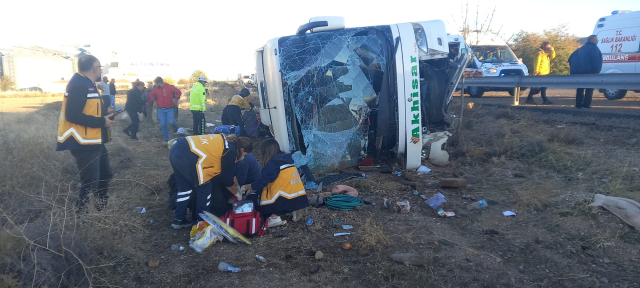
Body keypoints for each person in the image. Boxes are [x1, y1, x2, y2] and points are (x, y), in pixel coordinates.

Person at [56, 55, 114, 211]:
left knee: (105, 175)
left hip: (94, 141)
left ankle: (101, 210)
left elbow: (88, 108)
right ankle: (82, 218)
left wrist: (104, 112)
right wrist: (102, 122)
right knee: (90, 183)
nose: (100, 70)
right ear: (95, 68)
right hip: (83, 143)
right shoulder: (79, 84)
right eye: (100, 67)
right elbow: (72, 114)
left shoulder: (87, 83)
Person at [169, 134, 252, 229]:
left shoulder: (225, 142)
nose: (243, 157)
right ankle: (201, 222)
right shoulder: (230, 151)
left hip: (176, 149)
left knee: (185, 189)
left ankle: (179, 220)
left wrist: (237, 186)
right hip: (189, 156)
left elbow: (230, 172)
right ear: (242, 150)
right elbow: (226, 180)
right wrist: (237, 194)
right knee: (205, 188)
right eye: (245, 155)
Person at [242, 139, 309, 227]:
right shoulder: (288, 160)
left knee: (257, 198)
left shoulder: (272, 165)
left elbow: (260, 184)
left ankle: (274, 217)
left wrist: (246, 187)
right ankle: (293, 209)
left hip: (284, 197)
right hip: (298, 195)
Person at [569, 35, 603, 109]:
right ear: (593, 40)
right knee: (589, 89)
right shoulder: (594, 48)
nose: (598, 41)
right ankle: (586, 105)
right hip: (590, 72)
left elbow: (570, 58)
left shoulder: (581, 49)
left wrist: (575, 68)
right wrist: (597, 71)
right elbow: (596, 61)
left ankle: (578, 105)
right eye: (597, 39)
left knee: (580, 88)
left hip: (579, 73)